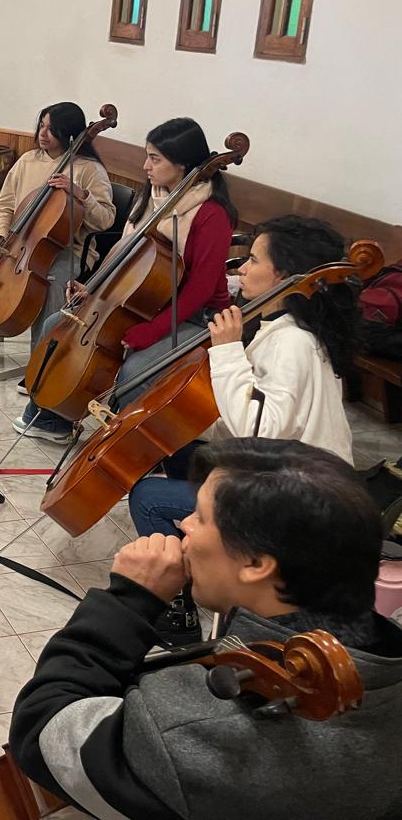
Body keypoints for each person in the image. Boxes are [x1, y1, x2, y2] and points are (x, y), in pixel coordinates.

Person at [9, 438, 402, 820]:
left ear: (255, 563)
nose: (183, 525)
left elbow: (41, 729)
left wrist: (128, 601)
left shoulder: (197, 732)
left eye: (200, 517)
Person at [126, 215, 359, 642]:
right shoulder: (286, 329)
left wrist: (228, 351)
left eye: (253, 260)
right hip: (290, 478)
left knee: (149, 498)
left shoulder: (292, 343)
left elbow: (259, 430)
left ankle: (179, 618)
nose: (242, 269)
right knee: (179, 452)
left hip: (299, 505)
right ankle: (207, 557)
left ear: (285, 275)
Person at [16, 117, 235, 443]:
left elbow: (200, 290)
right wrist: (92, 288)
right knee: (54, 327)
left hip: (195, 316)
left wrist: (152, 331)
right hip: (145, 302)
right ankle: (54, 418)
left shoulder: (211, 215)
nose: (145, 165)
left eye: (155, 158)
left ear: (183, 163)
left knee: (135, 371)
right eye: (147, 155)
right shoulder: (157, 196)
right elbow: (125, 251)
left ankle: (130, 448)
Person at [0, 101, 115, 369]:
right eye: (41, 126)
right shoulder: (27, 161)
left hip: (68, 251)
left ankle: (40, 365)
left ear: (69, 133)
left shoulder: (89, 170)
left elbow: (105, 220)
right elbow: (6, 205)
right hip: (18, 245)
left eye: (51, 129)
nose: (43, 134)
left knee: (53, 282)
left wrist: (81, 195)